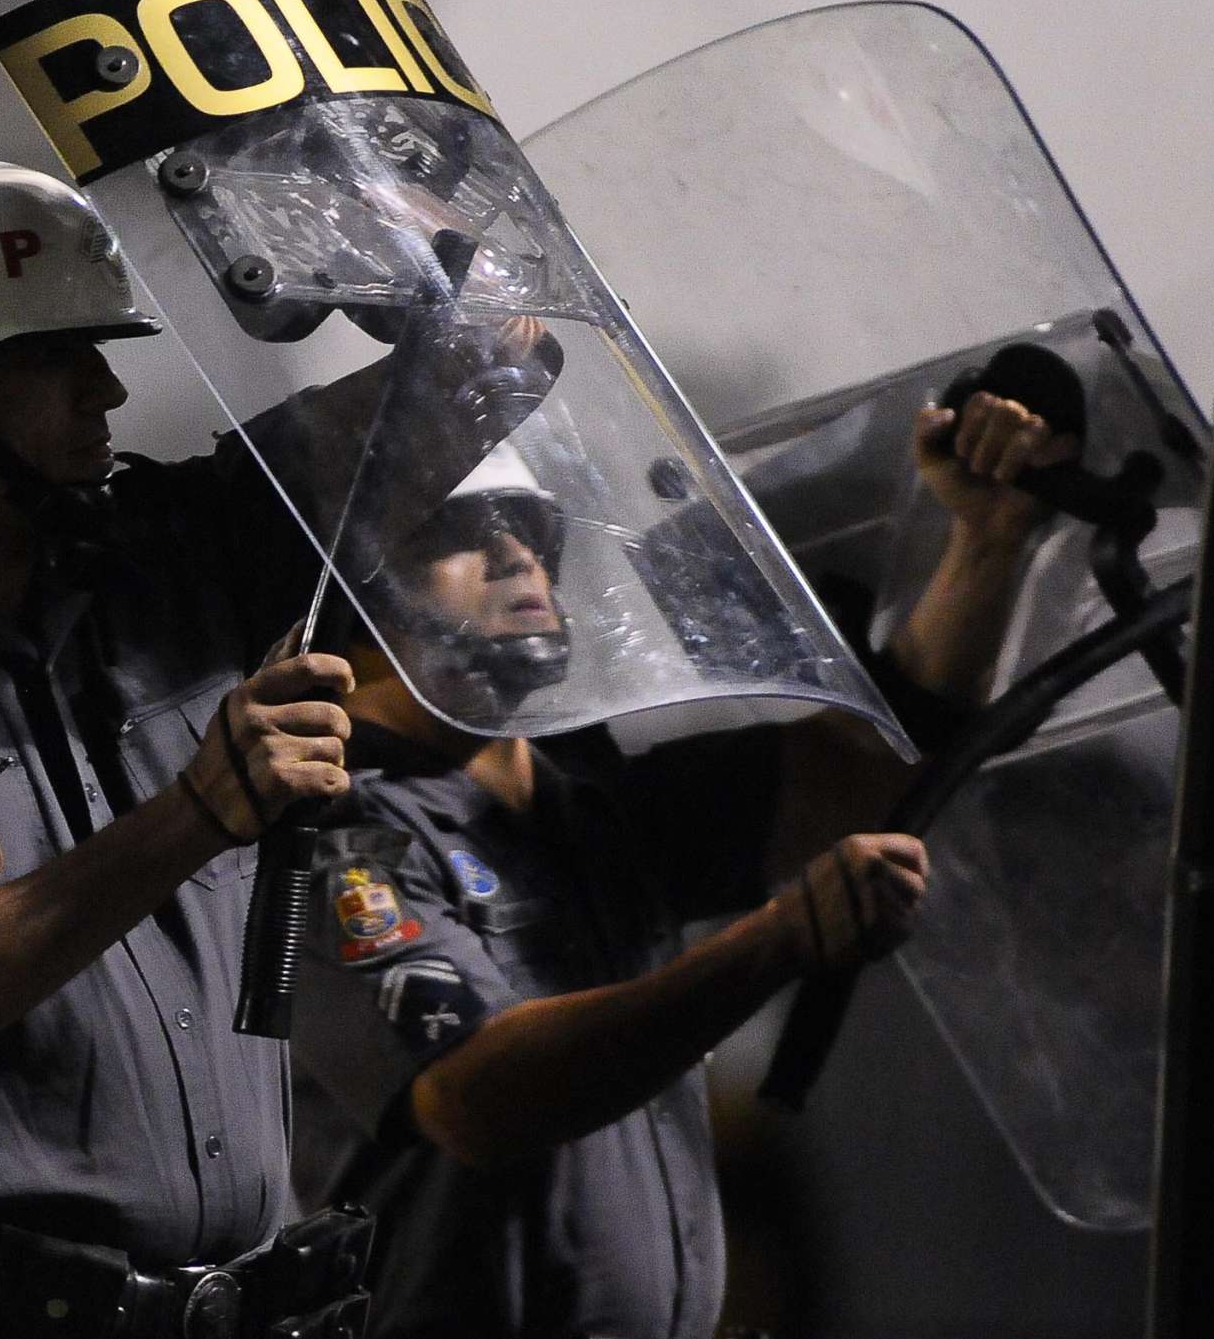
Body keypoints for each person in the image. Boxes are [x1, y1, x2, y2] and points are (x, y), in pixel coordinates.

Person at [0, 159, 545, 1336]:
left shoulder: (181, 551)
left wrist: (360, 208)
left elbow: (506, 356)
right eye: (58, 355)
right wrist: (198, 812)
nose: (108, 387)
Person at [289, 388, 1077, 1339]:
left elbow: (868, 771)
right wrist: (775, 942)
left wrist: (987, 543)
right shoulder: (332, 832)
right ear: (353, 596)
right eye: (455, 535)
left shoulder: (581, 805)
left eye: (531, 528)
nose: (517, 554)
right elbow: (472, 1095)